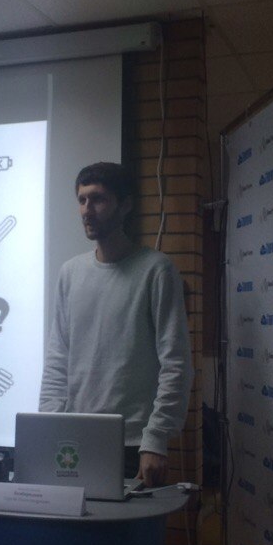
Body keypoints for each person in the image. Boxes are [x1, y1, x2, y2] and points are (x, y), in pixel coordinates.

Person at [39, 162, 194, 487]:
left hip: (135, 444)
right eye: (82, 200)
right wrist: (48, 428)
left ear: (125, 205)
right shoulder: (70, 273)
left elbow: (176, 362)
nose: (87, 210)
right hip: (75, 439)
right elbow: (57, 360)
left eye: (98, 199)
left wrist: (156, 438)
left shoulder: (156, 270)